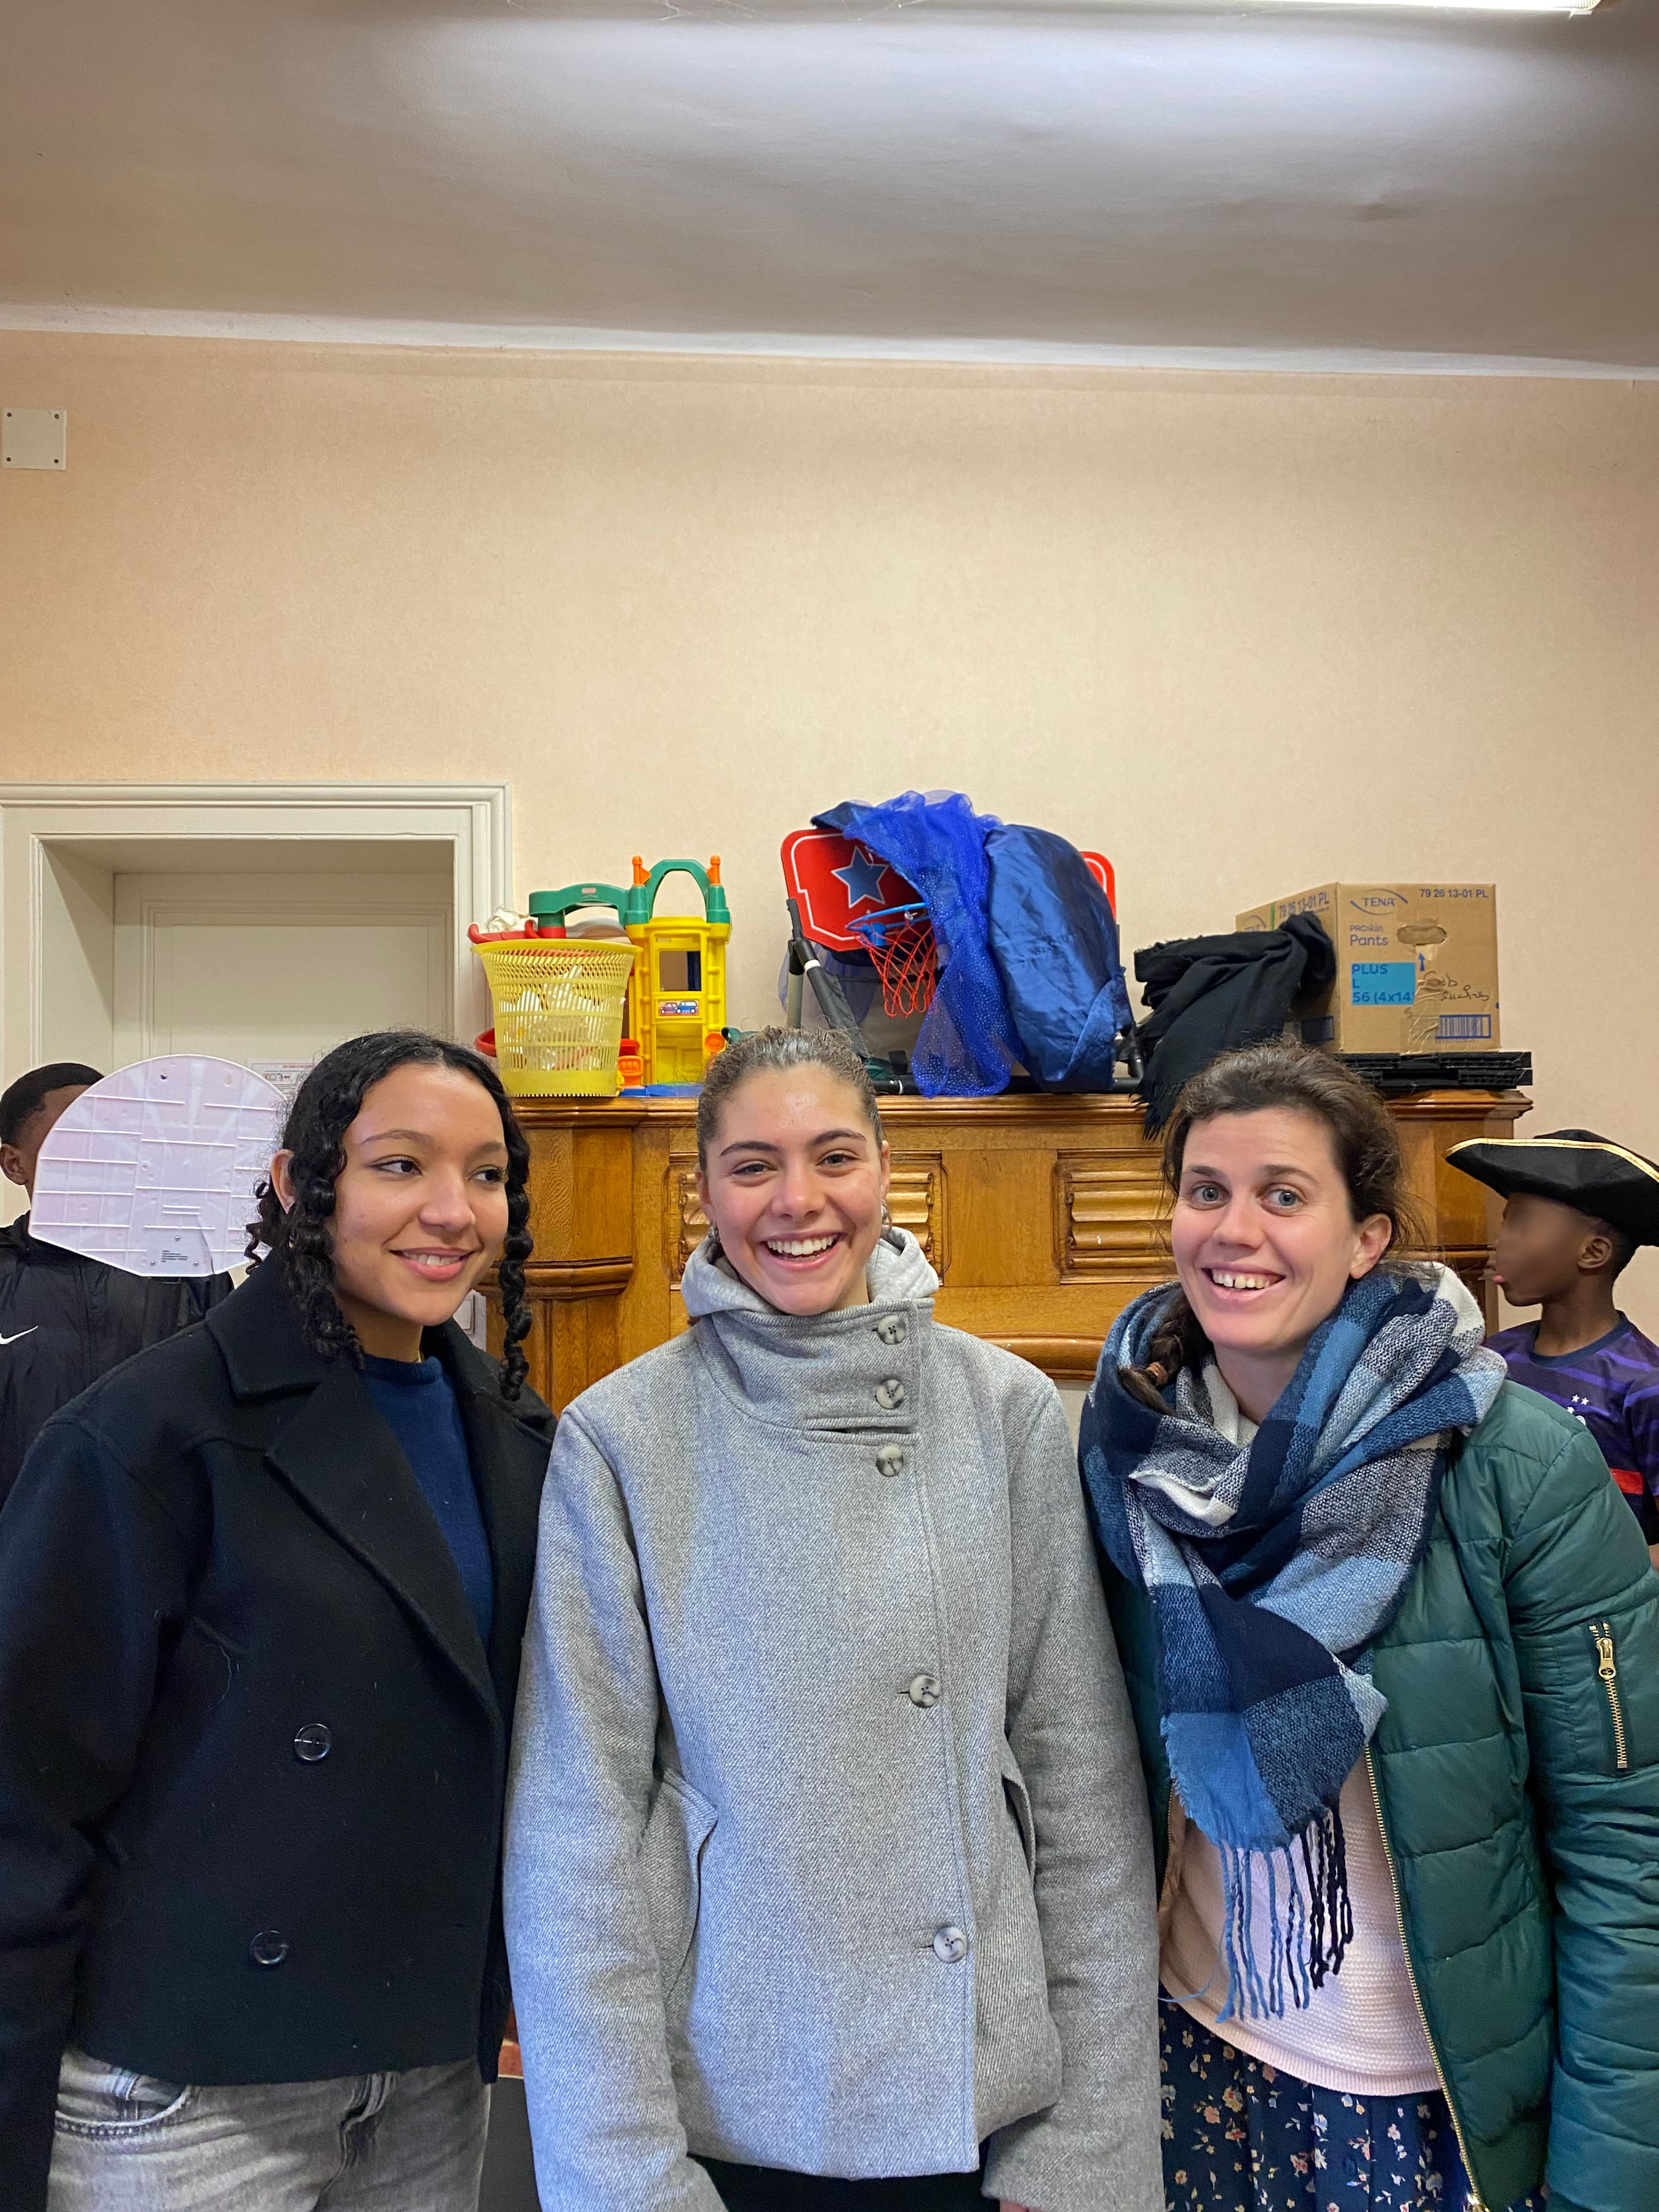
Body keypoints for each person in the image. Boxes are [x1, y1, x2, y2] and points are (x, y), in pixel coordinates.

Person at [505, 1025, 1163, 2212]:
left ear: (885, 1170)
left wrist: (1084, 2160)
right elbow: (576, 1834)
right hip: (734, 2110)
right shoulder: (622, 1438)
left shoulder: (1004, 1413)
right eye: (753, 1166)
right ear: (701, 1187)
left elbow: (1082, 1794)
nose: (797, 1201)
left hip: (981, 2110)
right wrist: (623, 2179)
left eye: (833, 1157)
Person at [1081, 1043, 1659, 2212]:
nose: (1234, 1229)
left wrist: (1607, 2182)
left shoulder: (1517, 1467)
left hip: (1426, 2095)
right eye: (1207, 1191)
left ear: (1367, 1239)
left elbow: (1626, 1852)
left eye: (1283, 1196)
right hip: (1189, 2052)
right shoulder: (1120, 1456)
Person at [0, 1030, 553, 2212]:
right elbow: (23, 1802)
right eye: (400, 1166)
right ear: (300, 1185)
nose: (452, 1210)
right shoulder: (148, 1432)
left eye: (488, 1173)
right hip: (183, 2092)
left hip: (423, 2078)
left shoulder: (515, 1434)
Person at [0, 1060, 233, 1505]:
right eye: (74, 1139)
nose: (101, 1155)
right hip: (20, 1551)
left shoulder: (188, 1268)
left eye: (115, 1137)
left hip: (161, 1548)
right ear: (15, 1164)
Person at [1447, 1126, 1659, 1560]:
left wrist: (1591, 1589)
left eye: (1523, 1224)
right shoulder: (1491, 1360)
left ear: (1593, 1252)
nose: (1503, 1242)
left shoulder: (1645, 1384)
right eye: (1507, 1222)